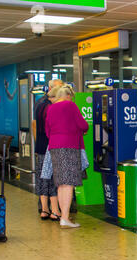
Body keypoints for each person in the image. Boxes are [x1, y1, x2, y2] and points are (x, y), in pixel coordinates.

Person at [45, 84, 88, 229]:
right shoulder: (70, 106)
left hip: (54, 147)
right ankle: (64, 218)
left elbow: (47, 130)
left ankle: (64, 216)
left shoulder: (51, 108)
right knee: (69, 183)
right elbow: (83, 125)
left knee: (61, 183)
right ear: (68, 96)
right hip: (69, 146)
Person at [33, 85, 62, 221]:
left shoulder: (39, 105)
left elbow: (35, 125)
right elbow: (54, 128)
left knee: (42, 178)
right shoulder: (52, 108)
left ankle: (44, 209)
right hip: (51, 146)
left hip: (40, 145)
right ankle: (55, 210)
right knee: (52, 178)